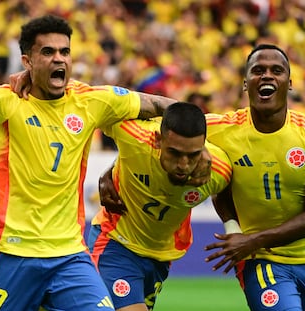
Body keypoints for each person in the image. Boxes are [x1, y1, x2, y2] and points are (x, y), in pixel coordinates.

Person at [0, 14, 191, 311]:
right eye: (47, 52)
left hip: (70, 256)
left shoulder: (91, 100)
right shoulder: (4, 101)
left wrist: (196, 139)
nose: (59, 59)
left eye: (65, 52)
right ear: (27, 61)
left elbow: (168, 108)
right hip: (13, 252)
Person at [204, 44, 305, 310]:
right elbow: (168, 125)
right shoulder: (219, 129)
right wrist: (111, 174)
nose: (267, 75)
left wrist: (252, 239)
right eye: (258, 70)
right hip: (259, 258)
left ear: (289, 83)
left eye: (276, 70)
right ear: (246, 84)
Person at [88, 102, 233, 311]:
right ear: (157, 140)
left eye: (193, 155)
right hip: (115, 241)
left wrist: (232, 227)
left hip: (160, 257)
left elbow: (230, 192)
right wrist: (109, 172)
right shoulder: (133, 135)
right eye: (174, 153)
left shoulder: (219, 170)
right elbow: (95, 107)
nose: (183, 165)